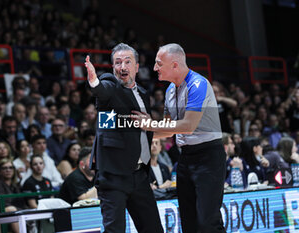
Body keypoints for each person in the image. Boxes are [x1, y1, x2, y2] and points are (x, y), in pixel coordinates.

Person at [132, 43, 226, 232]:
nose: (154, 68)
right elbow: (168, 130)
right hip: (186, 158)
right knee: (189, 221)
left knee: (207, 221)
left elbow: (187, 126)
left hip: (209, 156)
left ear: (174, 65)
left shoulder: (198, 84)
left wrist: (150, 125)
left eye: (159, 63)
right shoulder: (170, 91)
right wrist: (138, 132)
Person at [85, 43, 163, 233]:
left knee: (153, 229)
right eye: (118, 63)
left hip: (139, 176)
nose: (123, 67)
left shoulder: (144, 94)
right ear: (113, 68)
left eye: (128, 62)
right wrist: (94, 80)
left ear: (137, 67)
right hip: (113, 176)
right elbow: (102, 89)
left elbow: (143, 133)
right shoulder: (110, 83)